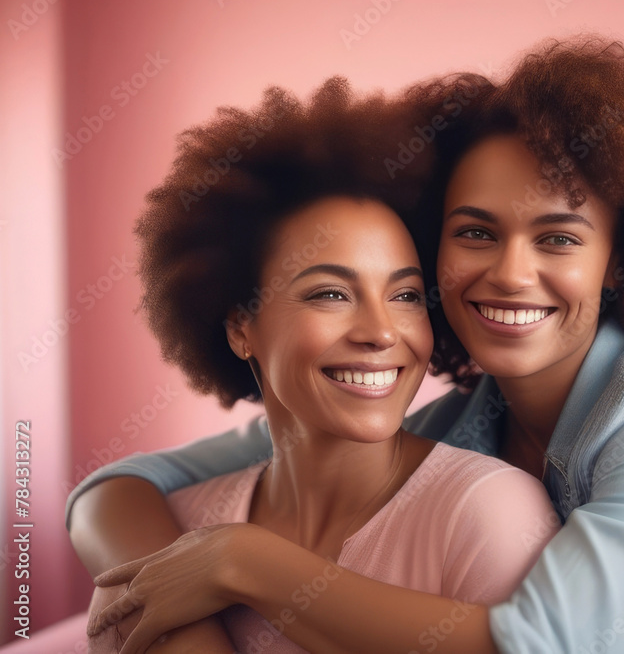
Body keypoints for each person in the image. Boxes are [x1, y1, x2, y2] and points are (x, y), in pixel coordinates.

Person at [75, 37, 624, 652]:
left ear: (619, 259)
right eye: (475, 231)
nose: (510, 273)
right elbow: (120, 485)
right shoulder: (451, 428)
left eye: (559, 238)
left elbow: (540, 646)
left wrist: (240, 562)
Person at [68, 78, 559, 652]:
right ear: (239, 327)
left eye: (405, 296)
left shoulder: (487, 514)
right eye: (330, 294)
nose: (380, 333)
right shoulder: (173, 529)